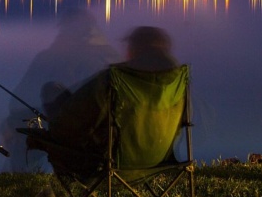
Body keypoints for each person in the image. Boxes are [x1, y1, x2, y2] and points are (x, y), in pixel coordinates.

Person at [29, 26, 179, 177]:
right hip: (158, 160)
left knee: (52, 91)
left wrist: (49, 134)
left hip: (108, 162)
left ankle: (52, 178)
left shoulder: (116, 79)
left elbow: (75, 116)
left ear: (135, 49)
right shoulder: (175, 84)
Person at [1, 8, 120, 172]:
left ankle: (23, 175)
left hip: (73, 136)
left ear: (65, 31)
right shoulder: (114, 60)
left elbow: (18, 101)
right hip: (113, 139)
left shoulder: (50, 59)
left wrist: (11, 123)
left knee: (19, 127)